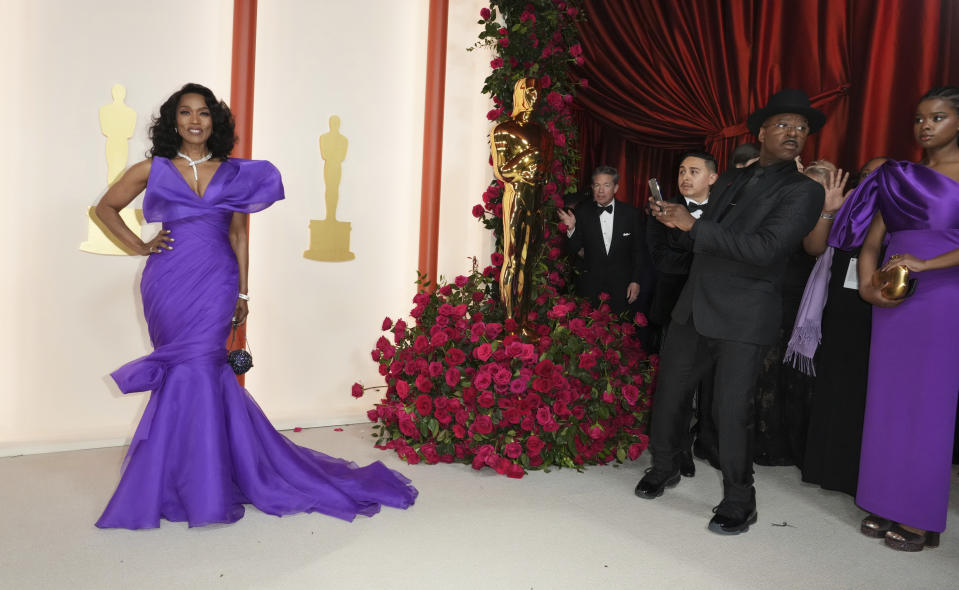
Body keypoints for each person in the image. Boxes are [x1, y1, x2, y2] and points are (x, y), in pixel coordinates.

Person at [93, 83, 417, 529]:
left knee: (202, 368)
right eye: (185, 113)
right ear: (173, 121)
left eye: (203, 113)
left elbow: (239, 235)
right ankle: (184, 477)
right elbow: (105, 208)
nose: (194, 121)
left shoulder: (234, 173)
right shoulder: (152, 168)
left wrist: (243, 293)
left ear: (214, 121)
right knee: (182, 372)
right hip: (168, 281)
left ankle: (204, 480)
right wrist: (140, 246)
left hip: (216, 280)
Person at [636, 89, 825, 535]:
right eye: (783, 124)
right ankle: (666, 466)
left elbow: (766, 249)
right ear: (761, 131)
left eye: (801, 128)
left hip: (743, 315)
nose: (793, 133)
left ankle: (741, 498)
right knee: (669, 397)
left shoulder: (804, 191)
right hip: (694, 306)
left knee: (730, 411)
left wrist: (693, 225)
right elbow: (704, 238)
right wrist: (674, 221)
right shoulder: (735, 179)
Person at [831, 86, 959, 551]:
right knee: (888, 401)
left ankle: (920, 519)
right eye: (920, 118)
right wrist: (868, 287)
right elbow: (870, 242)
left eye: (938, 117)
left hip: (944, 299)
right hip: (894, 301)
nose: (925, 126)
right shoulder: (901, 176)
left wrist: (928, 264)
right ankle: (885, 501)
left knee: (929, 407)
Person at [796, 158, 884, 497]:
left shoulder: (907, 212)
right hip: (841, 309)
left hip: (883, 311)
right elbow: (814, 248)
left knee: (867, 393)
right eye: (865, 175)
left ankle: (861, 473)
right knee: (834, 386)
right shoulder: (848, 206)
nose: (871, 180)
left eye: (880, 175)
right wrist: (829, 210)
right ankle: (824, 467)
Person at [646, 152, 720, 476]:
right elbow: (661, 260)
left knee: (715, 388)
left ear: (713, 178)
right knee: (676, 388)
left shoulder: (727, 212)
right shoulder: (663, 210)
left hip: (720, 310)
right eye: (681, 172)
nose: (685, 178)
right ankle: (676, 454)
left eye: (694, 171)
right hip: (676, 308)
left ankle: (708, 443)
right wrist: (708, 260)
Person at [491, 77, 552, 335]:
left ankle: (523, 321)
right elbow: (502, 171)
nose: (533, 96)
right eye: (528, 91)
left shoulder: (542, 133)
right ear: (519, 93)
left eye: (537, 92)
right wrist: (528, 159)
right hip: (515, 197)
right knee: (512, 260)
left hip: (535, 200)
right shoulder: (503, 130)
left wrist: (536, 167)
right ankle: (508, 323)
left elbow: (546, 173)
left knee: (528, 263)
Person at [558, 166, 651, 316]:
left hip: (622, 286)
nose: (601, 191)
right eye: (597, 185)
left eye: (606, 185)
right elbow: (574, 248)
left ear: (615, 188)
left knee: (619, 331)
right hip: (590, 286)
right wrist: (571, 229)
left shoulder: (631, 214)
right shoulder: (582, 212)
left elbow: (638, 251)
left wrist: (636, 281)